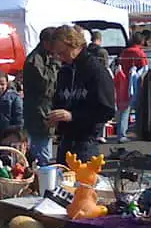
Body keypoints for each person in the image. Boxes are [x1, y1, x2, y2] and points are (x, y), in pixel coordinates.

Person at [48, 24, 116, 160]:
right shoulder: (65, 71)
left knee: (83, 181)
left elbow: (106, 110)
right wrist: (55, 118)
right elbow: (60, 100)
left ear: (73, 44)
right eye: (57, 54)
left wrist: (73, 116)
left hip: (86, 144)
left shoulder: (95, 71)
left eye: (62, 52)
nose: (60, 57)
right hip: (65, 142)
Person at [23, 27, 60, 165]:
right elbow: (47, 84)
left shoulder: (44, 57)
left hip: (44, 110)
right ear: (46, 42)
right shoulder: (35, 60)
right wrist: (55, 63)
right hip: (39, 113)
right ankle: (44, 183)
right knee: (43, 155)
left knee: (43, 150)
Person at [115, 32, 148, 142]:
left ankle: (121, 133)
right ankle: (139, 131)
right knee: (138, 108)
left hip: (123, 82)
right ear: (141, 41)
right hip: (136, 83)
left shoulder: (124, 52)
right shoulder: (140, 52)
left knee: (124, 109)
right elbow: (144, 69)